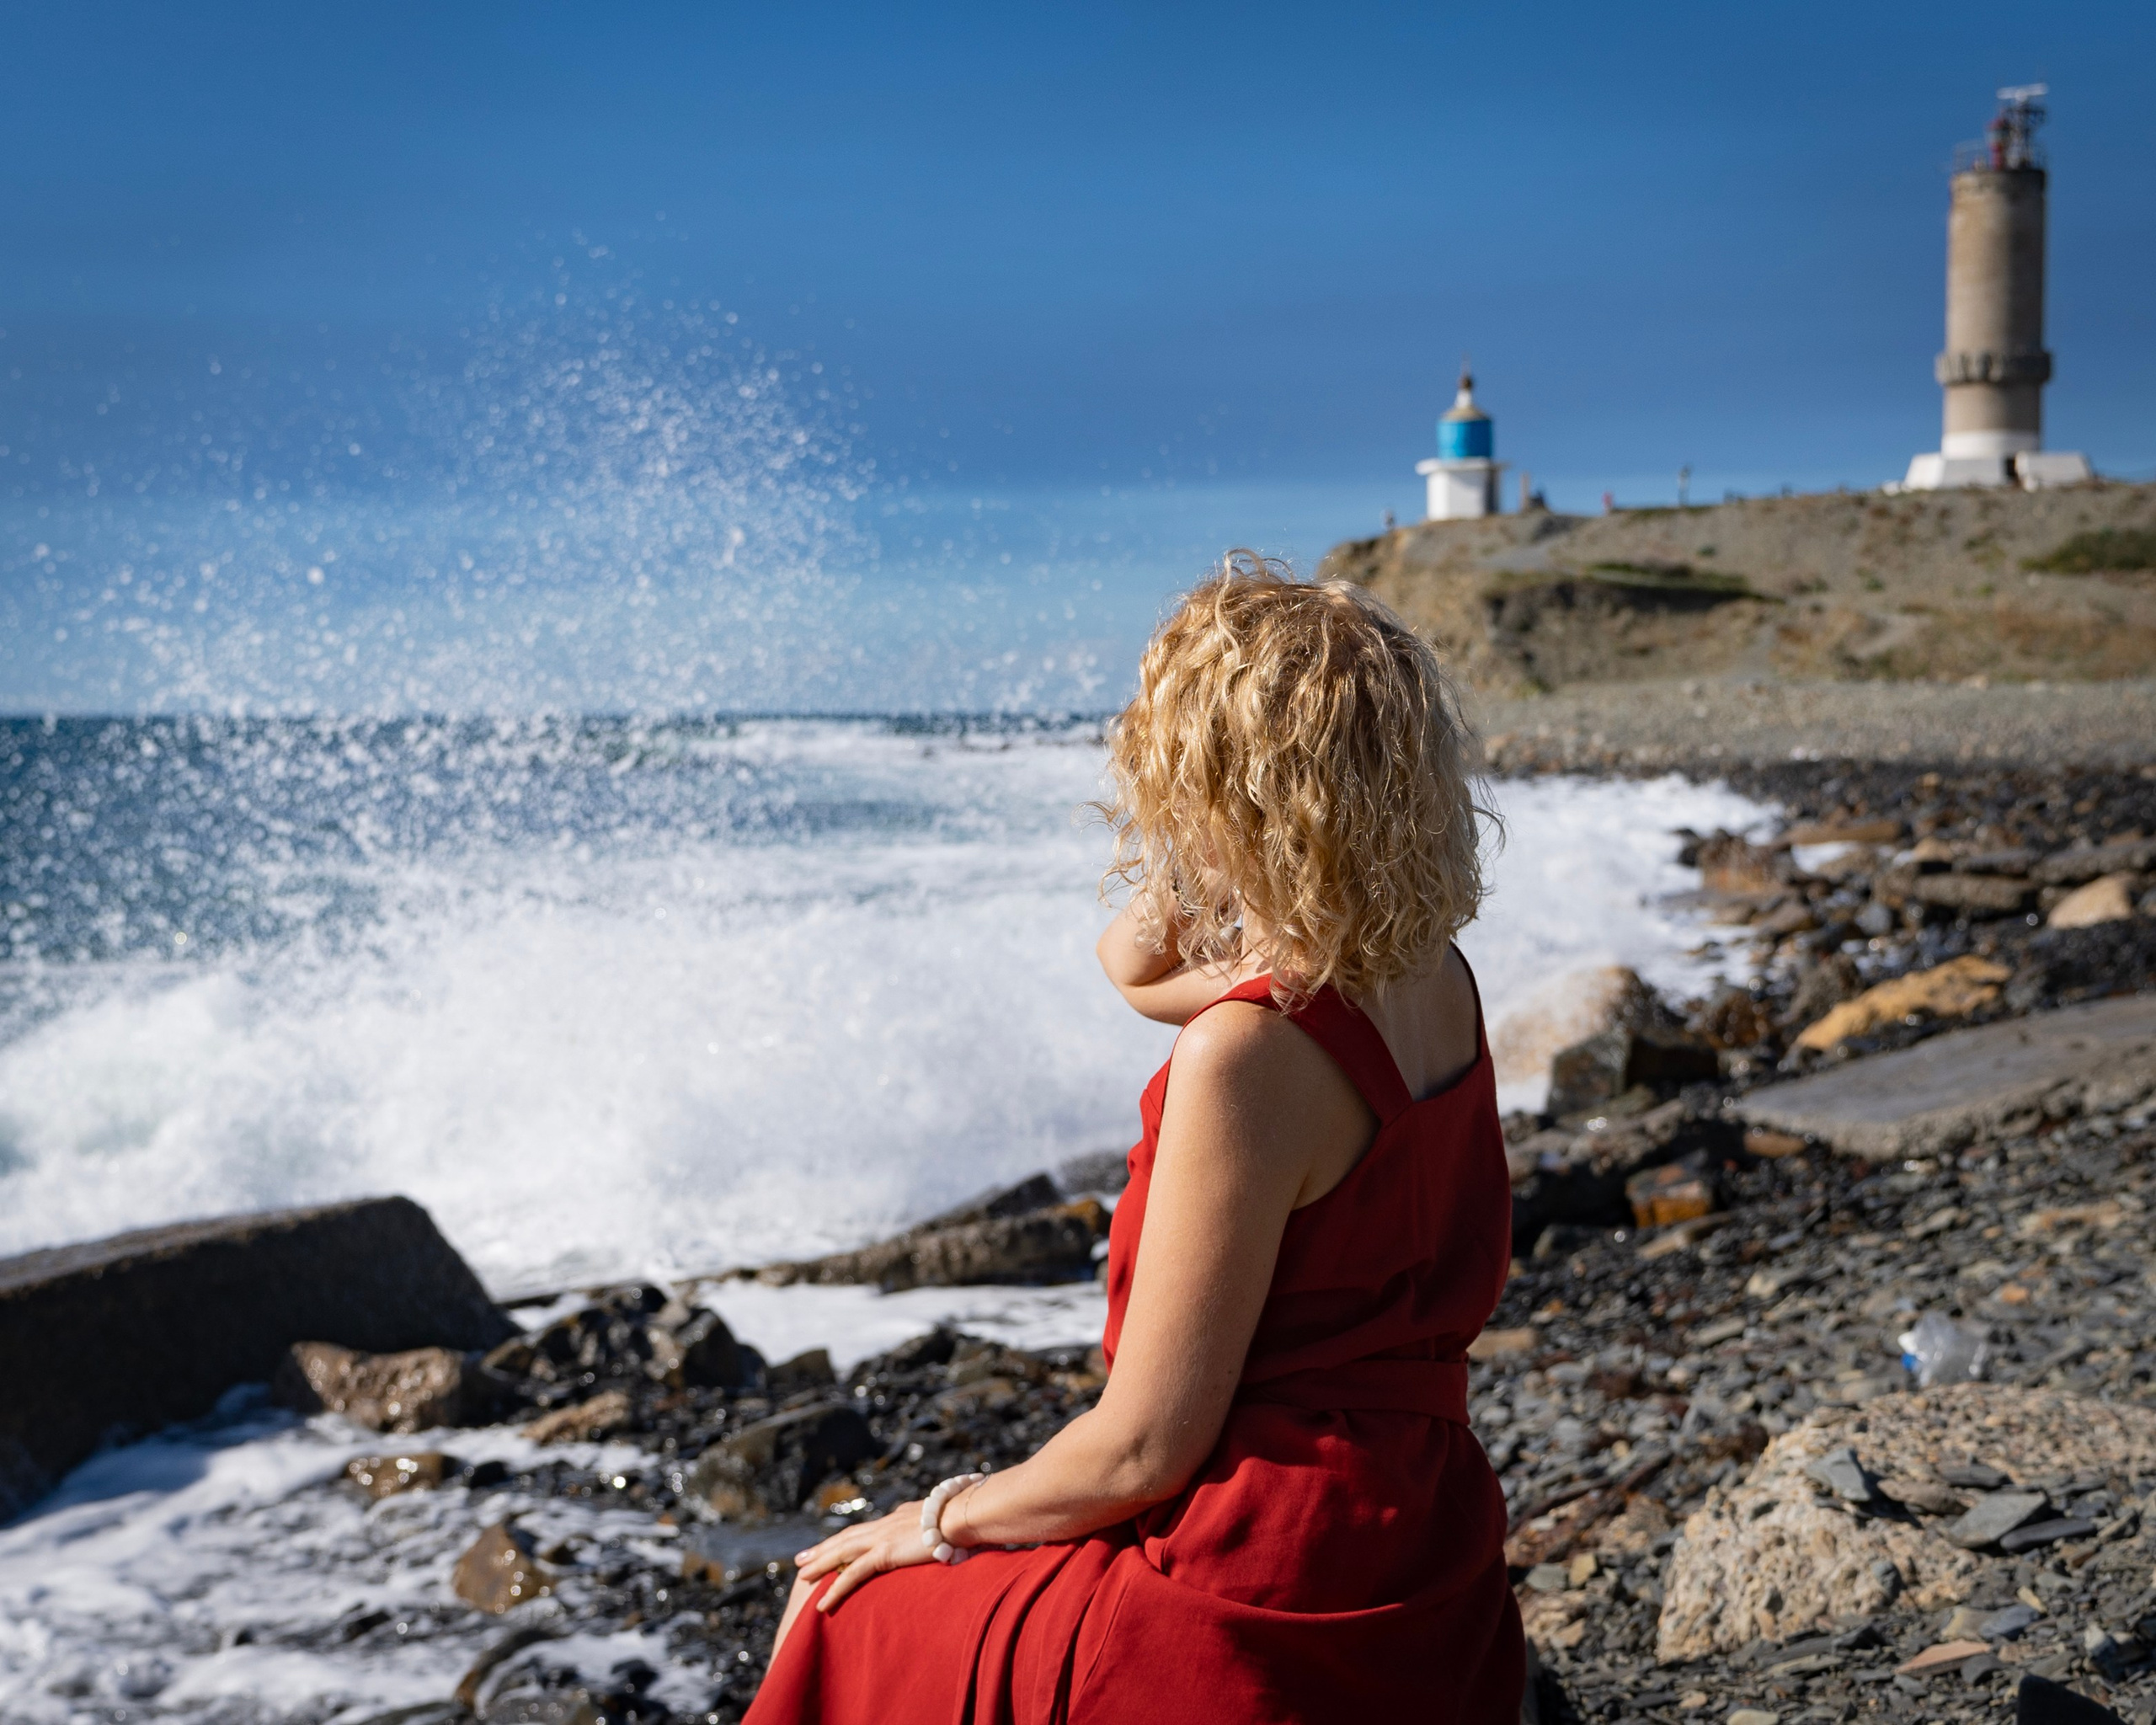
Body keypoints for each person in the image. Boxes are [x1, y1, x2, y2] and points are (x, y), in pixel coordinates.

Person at [745, 554, 1524, 1724]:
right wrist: (1240, 835)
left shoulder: (1247, 1053)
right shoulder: (1433, 978)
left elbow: (1143, 1449)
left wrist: (937, 1518)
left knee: (834, 1600)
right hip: (1423, 1542)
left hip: (1263, 1569)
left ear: (1222, 793)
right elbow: (1133, 967)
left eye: (1173, 780)